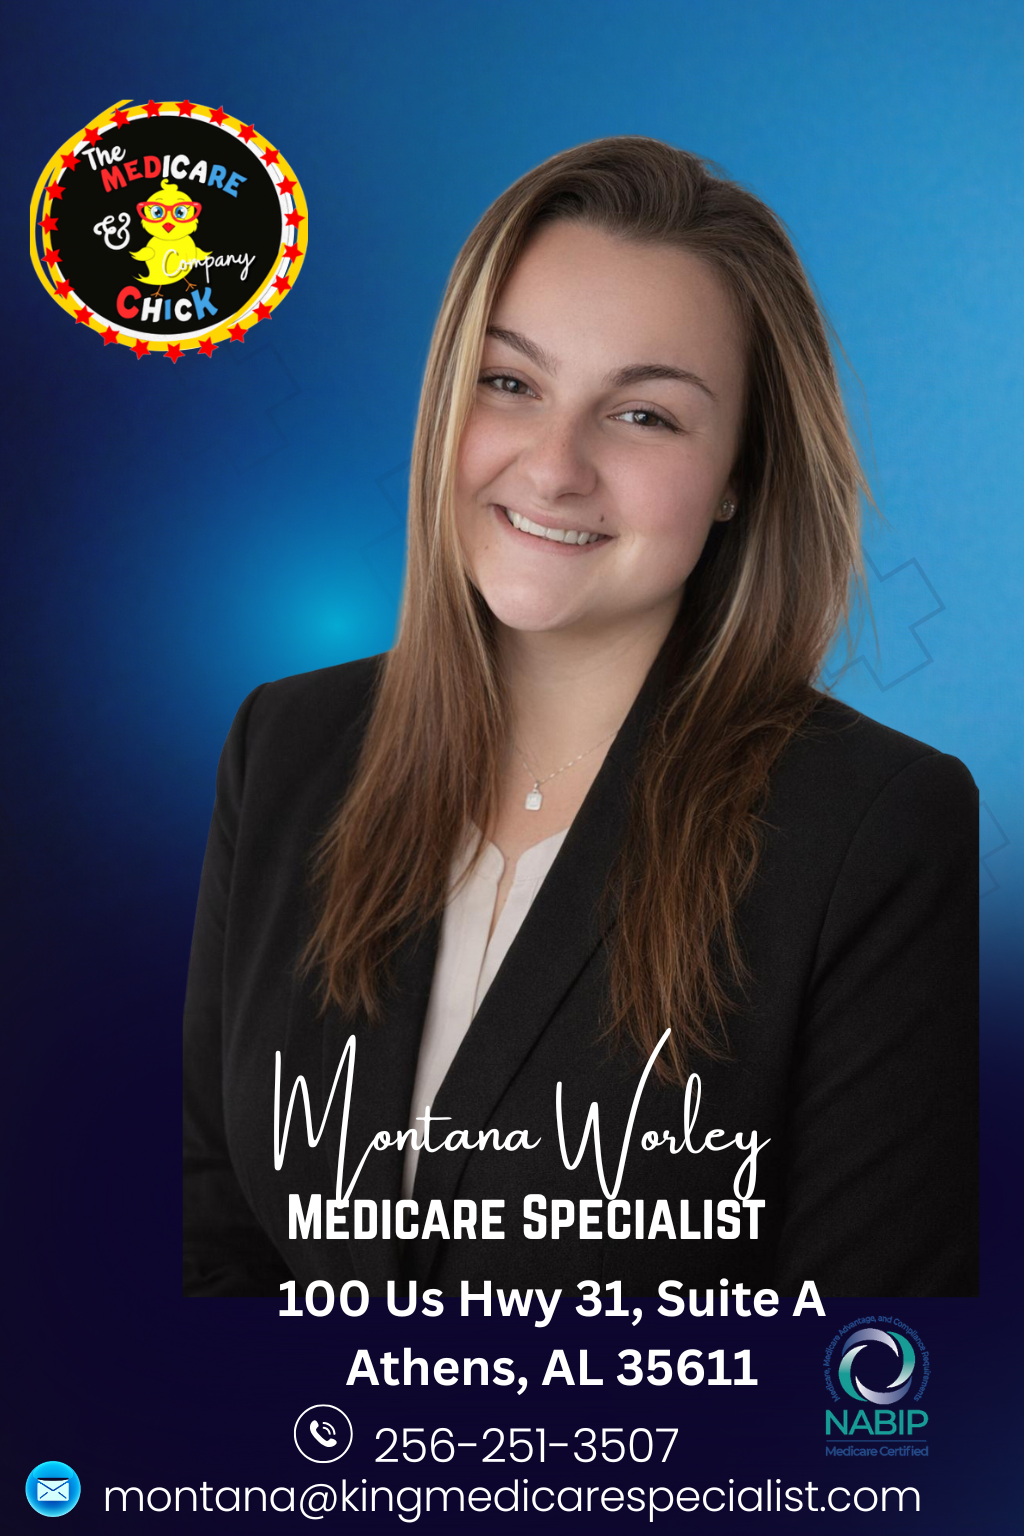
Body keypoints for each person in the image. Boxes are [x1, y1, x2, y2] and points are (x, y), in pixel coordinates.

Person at [183, 136, 977, 1300]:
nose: (554, 467)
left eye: (645, 416)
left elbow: (861, 1380)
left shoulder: (873, 830)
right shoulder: (286, 747)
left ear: (739, 475)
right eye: (510, 383)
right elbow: (214, 1229)